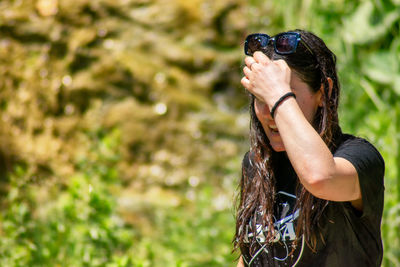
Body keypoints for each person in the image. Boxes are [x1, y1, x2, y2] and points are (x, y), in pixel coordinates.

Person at [233, 29, 385, 267]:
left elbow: (320, 178)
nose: (272, 112)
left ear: (323, 93)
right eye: (261, 98)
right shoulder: (256, 163)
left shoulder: (357, 158)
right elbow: (251, 255)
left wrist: (277, 94)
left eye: (288, 96)